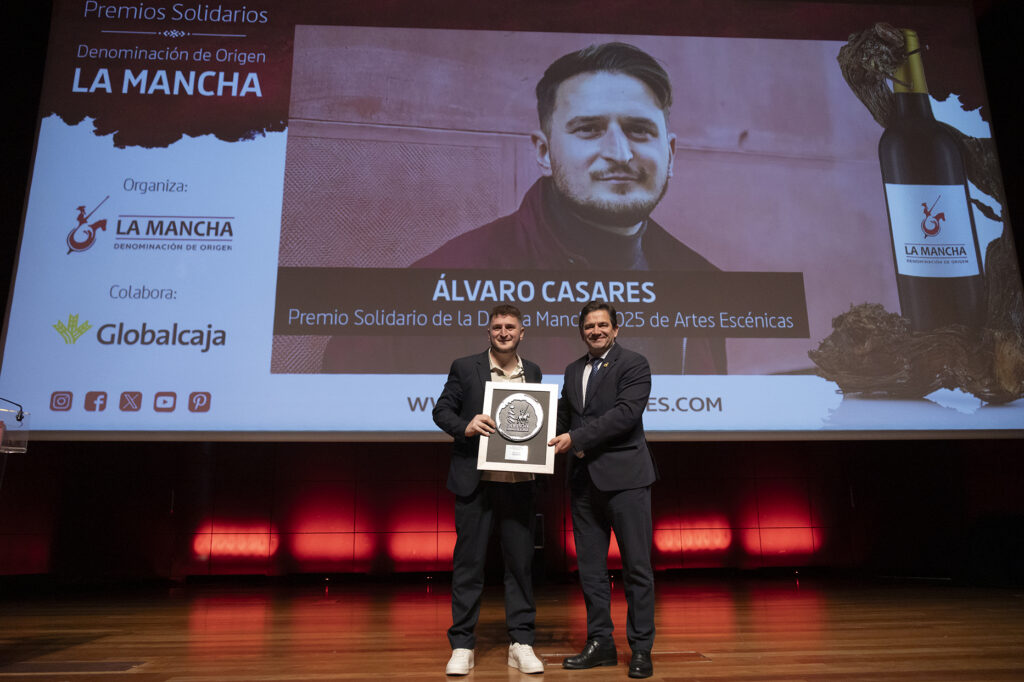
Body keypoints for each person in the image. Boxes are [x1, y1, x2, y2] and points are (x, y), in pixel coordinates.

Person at [321, 41, 727, 376]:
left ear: (670, 153)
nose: (619, 153)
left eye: (639, 130)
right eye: (588, 129)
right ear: (543, 151)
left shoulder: (701, 283)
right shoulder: (424, 296)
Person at [432, 304, 545, 676]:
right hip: (475, 484)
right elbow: (441, 411)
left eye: (510, 326)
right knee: (468, 567)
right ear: (488, 332)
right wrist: (466, 425)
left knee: (520, 567)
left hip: (519, 485)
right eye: (497, 326)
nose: (504, 332)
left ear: (522, 332)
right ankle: (462, 644)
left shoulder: (535, 373)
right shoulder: (466, 367)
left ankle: (521, 642)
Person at [548, 300, 657, 679]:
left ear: (615, 329)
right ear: (582, 331)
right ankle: (601, 643)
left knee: (637, 568)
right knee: (591, 571)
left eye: (602, 325)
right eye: (589, 326)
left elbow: (625, 415)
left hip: (626, 480)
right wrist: (521, 427)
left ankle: (641, 649)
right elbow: (563, 415)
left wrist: (575, 437)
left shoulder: (634, 364)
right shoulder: (573, 369)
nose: (595, 331)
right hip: (583, 483)